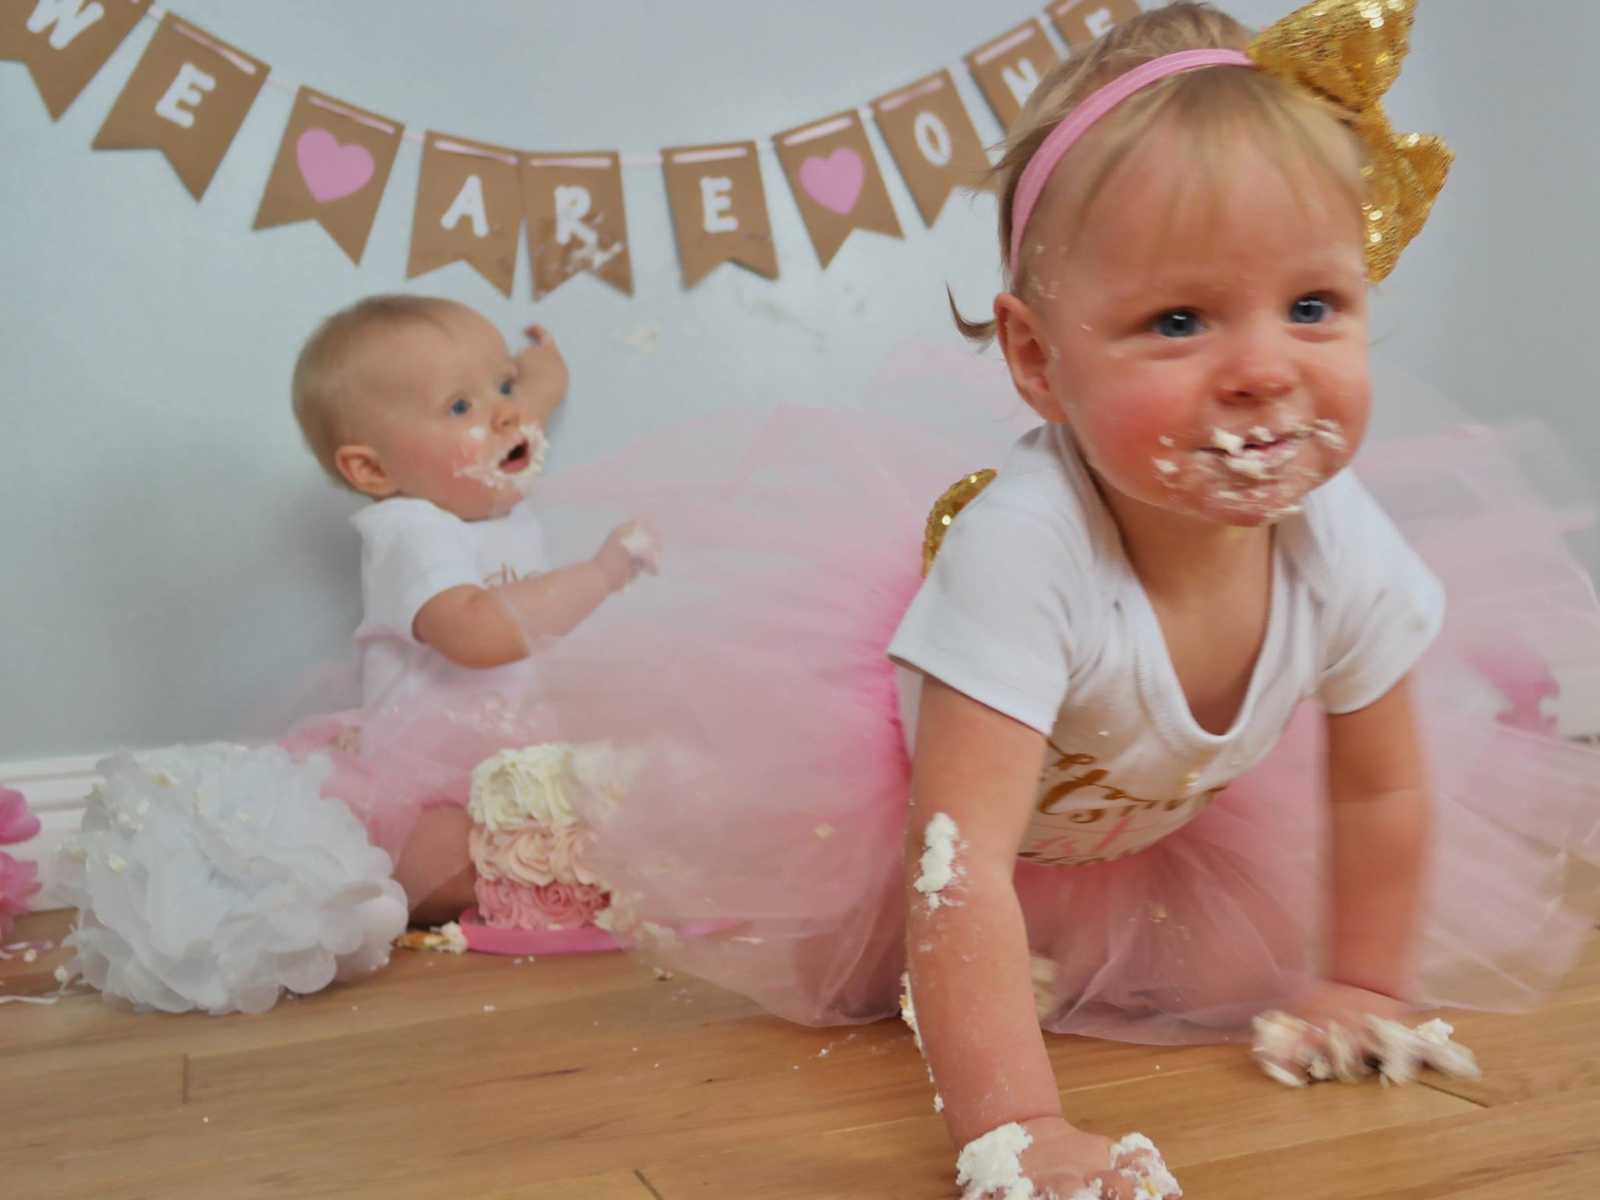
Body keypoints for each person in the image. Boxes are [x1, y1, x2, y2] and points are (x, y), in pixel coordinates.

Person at [509, 1, 1600, 1195]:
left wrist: (1363, 985)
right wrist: (1012, 1122)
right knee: (690, 866)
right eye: (1178, 320)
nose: (1261, 369)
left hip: (1142, 815)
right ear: (1038, 360)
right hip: (919, 808)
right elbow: (958, 864)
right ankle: (526, 816)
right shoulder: (1026, 549)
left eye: (1312, 307)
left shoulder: (1337, 535)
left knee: (1127, 967)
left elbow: (1381, 781)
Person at [287, 295, 655, 922]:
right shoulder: (411, 530)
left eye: (502, 385)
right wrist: (600, 575)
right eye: (461, 405)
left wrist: (541, 366)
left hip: (515, 741)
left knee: (609, 801)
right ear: (373, 469)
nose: (508, 412)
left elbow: (530, 401)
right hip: (429, 771)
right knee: (439, 856)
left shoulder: (490, 475)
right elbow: (475, 632)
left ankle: (556, 874)